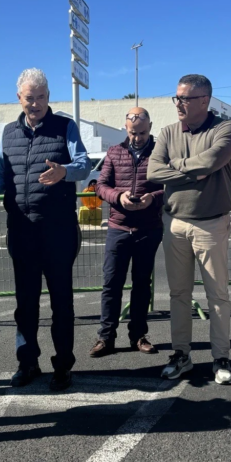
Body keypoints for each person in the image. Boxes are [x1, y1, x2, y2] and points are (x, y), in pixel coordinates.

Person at [0, 68, 91, 391]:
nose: (36, 103)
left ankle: (63, 365)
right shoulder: (9, 133)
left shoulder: (64, 127)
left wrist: (64, 171)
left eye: (42, 97)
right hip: (21, 230)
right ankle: (27, 362)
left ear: (48, 97)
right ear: (19, 98)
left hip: (58, 231)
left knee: (61, 303)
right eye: (30, 98)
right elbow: (1, 171)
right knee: (25, 303)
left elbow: (84, 164)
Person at [147, 74, 231, 385]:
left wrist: (176, 166)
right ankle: (181, 355)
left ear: (204, 101)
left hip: (212, 223)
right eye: (177, 97)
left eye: (185, 98)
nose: (178, 103)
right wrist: (193, 171)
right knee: (178, 294)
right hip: (174, 223)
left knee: (217, 295)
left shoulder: (225, 128)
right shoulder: (168, 132)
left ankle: (221, 357)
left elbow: (212, 161)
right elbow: (153, 171)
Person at [89, 107, 163, 357]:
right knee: (111, 284)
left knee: (142, 285)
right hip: (118, 228)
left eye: (142, 132)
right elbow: (100, 186)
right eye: (132, 132)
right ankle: (106, 337)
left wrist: (152, 198)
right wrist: (119, 197)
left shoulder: (160, 152)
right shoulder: (114, 152)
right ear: (126, 128)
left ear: (150, 127)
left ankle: (138, 336)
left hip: (148, 228)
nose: (137, 137)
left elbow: (170, 186)